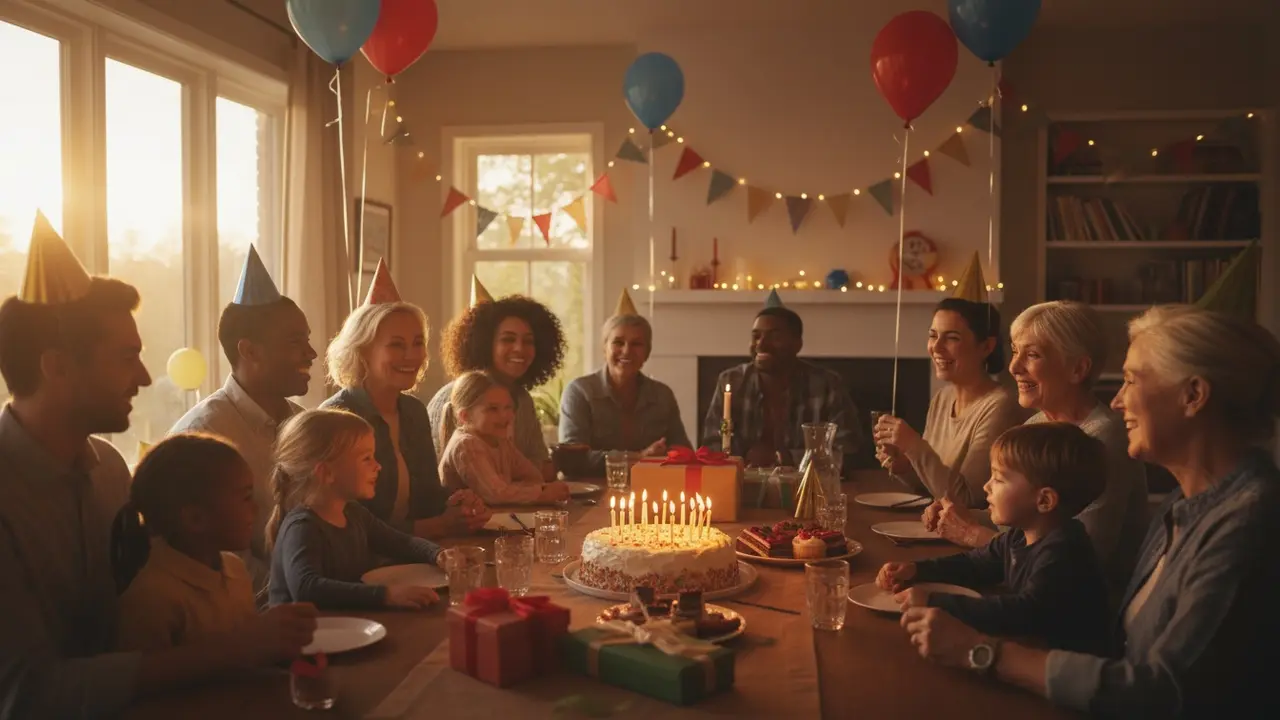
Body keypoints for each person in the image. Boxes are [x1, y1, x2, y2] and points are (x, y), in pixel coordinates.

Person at [0, 213, 315, 718]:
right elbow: (26, 694)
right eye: (126, 358)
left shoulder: (107, 469)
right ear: (56, 366)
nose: (145, 378)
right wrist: (237, 648)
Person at [901, 305, 1280, 717]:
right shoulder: (1185, 503)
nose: (1117, 401)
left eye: (1132, 380)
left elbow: (1163, 690)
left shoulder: (1248, 524)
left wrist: (982, 652)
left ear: (1193, 395)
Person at [923, 300, 1148, 597]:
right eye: (1015, 351)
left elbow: (1082, 558)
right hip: (1027, 587)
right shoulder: (1036, 426)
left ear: (1078, 368)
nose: (1014, 367)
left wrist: (972, 534)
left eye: (1032, 355)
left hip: (1082, 609)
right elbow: (1028, 521)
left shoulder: (1104, 439)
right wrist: (961, 514)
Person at [879, 423, 1110, 654]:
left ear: (1044, 501)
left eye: (998, 479)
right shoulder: (1018, 537)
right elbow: (975, 565)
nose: (986, 487)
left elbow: (1023, 613)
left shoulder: (1064, 553)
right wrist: (915, 571)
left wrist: (935, 602)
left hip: (1061, 674)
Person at [170, 245, 315, 596]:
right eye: (296, 342)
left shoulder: (303, 424)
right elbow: (216, 563)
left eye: (307, 341)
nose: (311, 354)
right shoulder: (203, 437)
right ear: (249, 351)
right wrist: (301, 588)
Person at [322, 260, 490, 539]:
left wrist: (459, 504)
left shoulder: (412, 411)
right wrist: (435, 526)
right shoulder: (335, 419)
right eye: (396, 345)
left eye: (417, 343)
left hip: (417, 557)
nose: (412, 356)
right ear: (362, 352)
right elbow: (346, 527)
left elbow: (428, 499)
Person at [113, 434, 316, 652]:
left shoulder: (234, 569)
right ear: (195, 519)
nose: (256, 508)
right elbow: (151, 679)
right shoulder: (152, 599)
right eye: (246, 497)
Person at [268, 409, 446, 610]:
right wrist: (386, 594)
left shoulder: (353, 513)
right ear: (326, 473)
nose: (378, 466)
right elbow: (307, 588)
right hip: (301, 638)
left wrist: (439, 555)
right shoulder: (303, 527)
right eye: (366, 458)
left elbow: (401, 542)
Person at [874, 285, 1024, 508]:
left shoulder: (1001, 405)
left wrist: (914, 444)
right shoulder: (942, 398)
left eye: (952, 338)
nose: (936, 347)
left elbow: (966, 500)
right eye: (933, 336)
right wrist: (905, 464)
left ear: (986, 346)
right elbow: (934, 488)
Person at [702, 291, 861, 471]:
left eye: (775, 337)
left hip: (806, 488)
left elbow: (847, 449)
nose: (761, 345)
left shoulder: (826, 384)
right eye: (756, 336)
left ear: (797, 344)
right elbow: (712, 444)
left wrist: (783, 457)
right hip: (743, 484)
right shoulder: (731, 381)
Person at [428, 277, 566, 480]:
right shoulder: (454, 397)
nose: (520, 348)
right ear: (484, 344)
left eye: (528, 341)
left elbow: (541, 464)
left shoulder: (522, 400)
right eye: (508, 339)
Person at [558, 289, 689, 476]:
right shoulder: (579, 392)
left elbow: (683, 450)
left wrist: (671, 454)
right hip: (589, 493)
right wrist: (639, 457)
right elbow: (572, 459)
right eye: (618, 342)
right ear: (604, 348)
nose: (627, 351)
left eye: (636, 344)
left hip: (650, 489)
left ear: (647, 353)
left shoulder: (663, 395)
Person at [440, 370, 572, 504]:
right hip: (469, 523)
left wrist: (537, 490)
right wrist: (542, 493)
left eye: (508, 407)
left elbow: (534, 478)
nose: (504, 415)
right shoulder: (466, 445)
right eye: (493, 409)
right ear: (465, 416)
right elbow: (496, 495)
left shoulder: (500, 440)